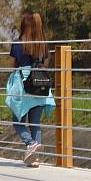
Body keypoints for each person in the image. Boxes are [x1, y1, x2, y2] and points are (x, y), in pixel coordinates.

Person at [6, 12, 56, 167]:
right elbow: (46, 63)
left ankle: (30, 143)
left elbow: (13, 64)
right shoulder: (43, 44)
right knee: (35, 123)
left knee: (18, 122)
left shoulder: (17, 43)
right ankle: (35, 158)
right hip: (40, 84)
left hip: (23, 83)